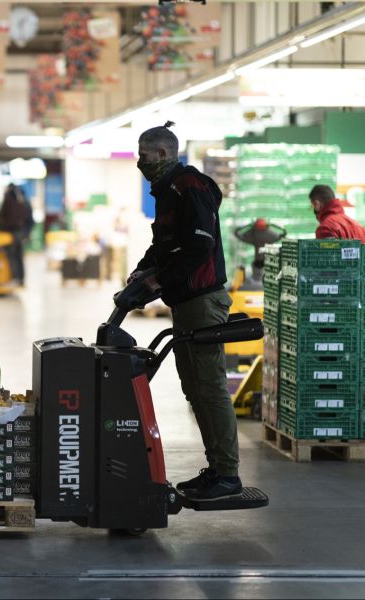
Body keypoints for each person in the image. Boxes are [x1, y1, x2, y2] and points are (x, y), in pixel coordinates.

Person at [128, 121, 241, 500]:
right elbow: (164, 244)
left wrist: (160, 281)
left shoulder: (189, 186)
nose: (140, 162)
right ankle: (216, 469)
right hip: (186, 302)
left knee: (209, 389)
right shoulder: (167, 191)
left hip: (202, 301)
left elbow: (199, 245)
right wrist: (143, 271)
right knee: (194, 389)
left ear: (162, 153)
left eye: (143, 155)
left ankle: (228, 476)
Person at [0, 184, 33, 285]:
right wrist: (26, 234)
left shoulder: (11, 201)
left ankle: (16, 278)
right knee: (18, 255)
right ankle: (19, 278)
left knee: (13, 255)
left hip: (14, 233)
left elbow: (4, 216)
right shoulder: (24, 202)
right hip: (19, 232)